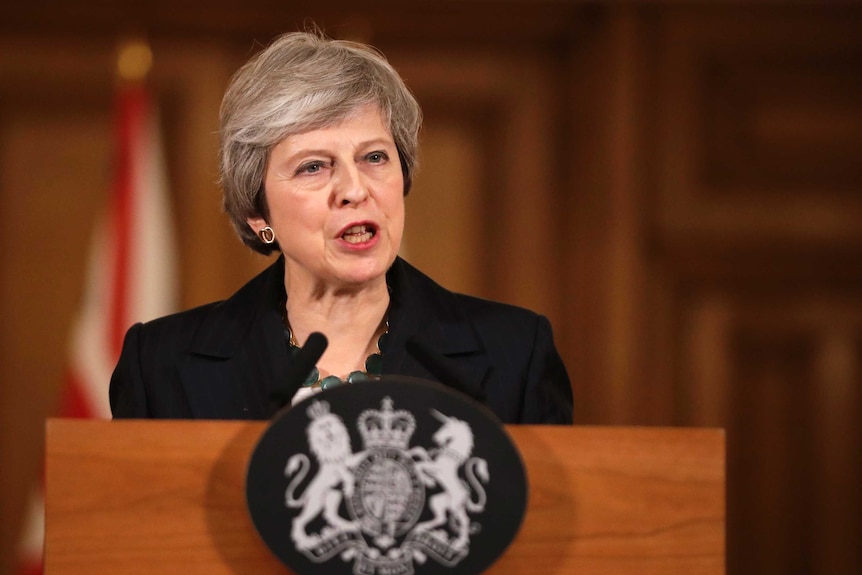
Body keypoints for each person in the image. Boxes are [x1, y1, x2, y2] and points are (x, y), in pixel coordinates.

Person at [109, 30, 573, 424]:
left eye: (374, 158)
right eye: (314, 167)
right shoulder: (162, 364)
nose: (354, 189)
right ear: (258, 212)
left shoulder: (514, 353)